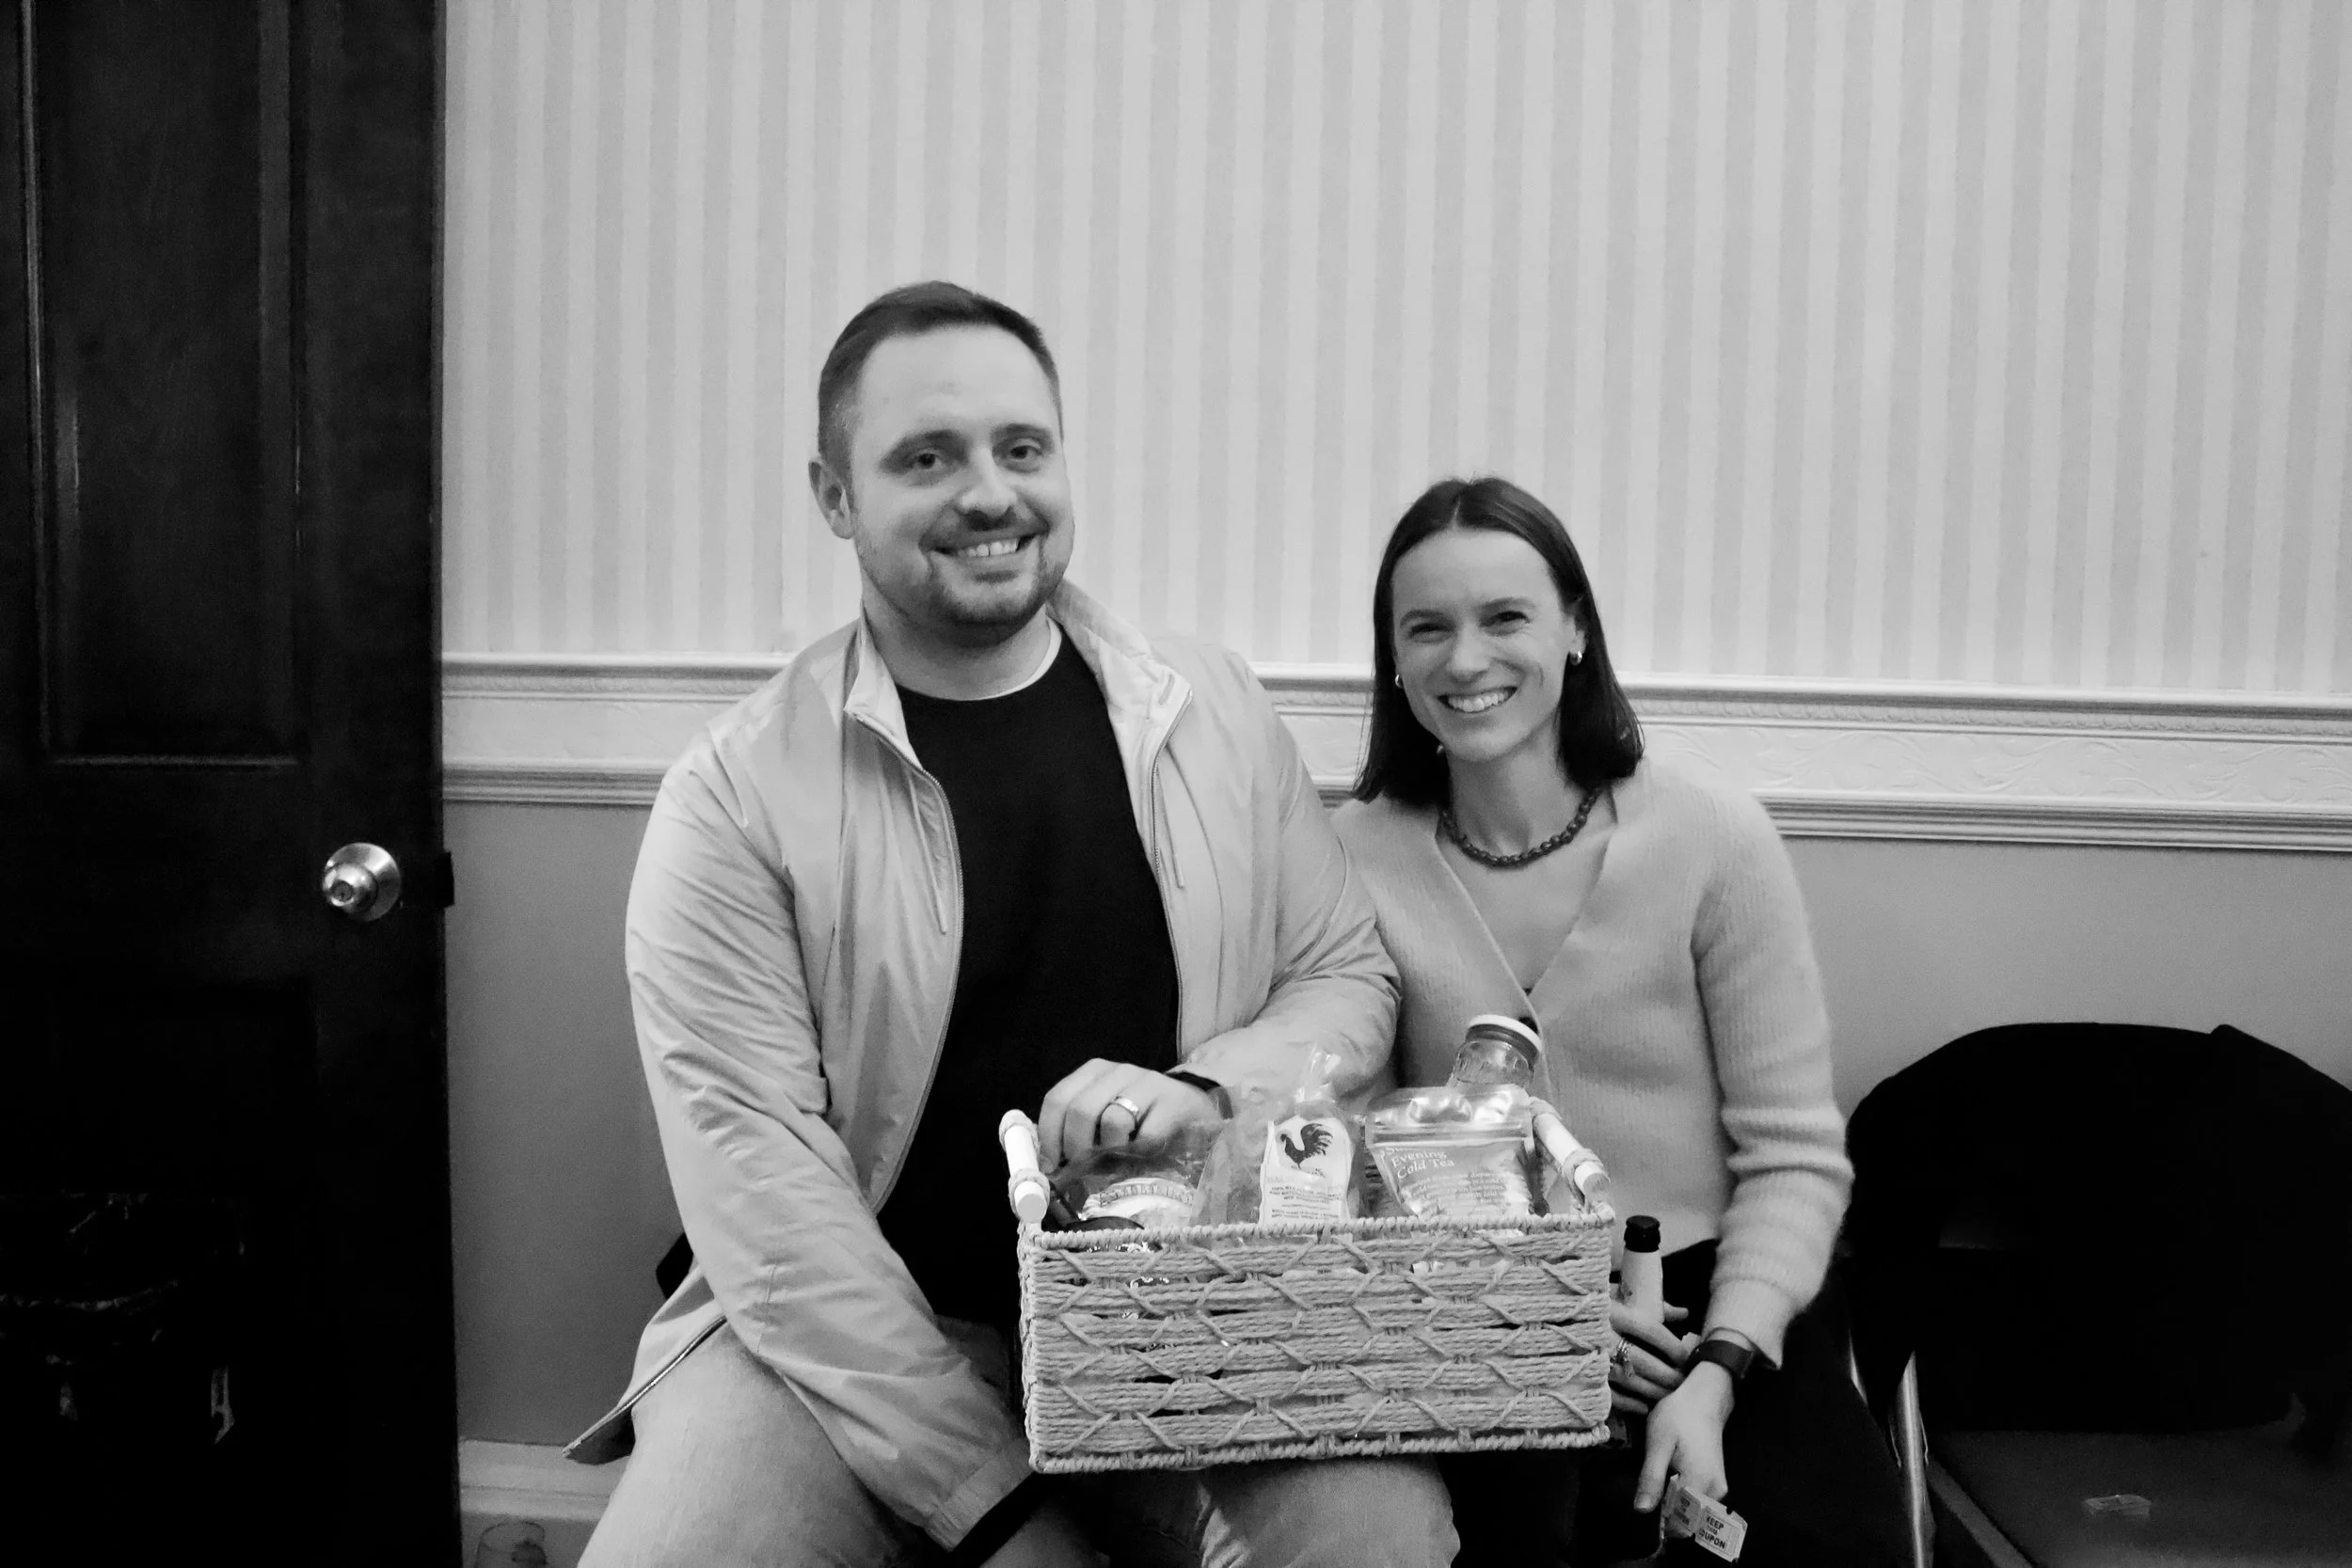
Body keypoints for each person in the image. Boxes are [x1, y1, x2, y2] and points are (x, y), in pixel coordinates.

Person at [569, 282, 1456, 1568]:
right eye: (927, 457)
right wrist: (998, 1506)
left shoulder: (1207, 705)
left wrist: (1203, 1086)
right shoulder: (733, 793)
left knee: (1372, 1530)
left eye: (1020, 447)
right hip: (844, 1340)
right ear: (834, 496)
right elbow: (772, 1214)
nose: (989, 493)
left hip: (1183, 1304)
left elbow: (1342, 979)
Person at [1333, 476, 1910, 1567]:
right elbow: (1340, 1166)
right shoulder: (1350, 859)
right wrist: (1528, 1316)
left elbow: (1795, 1161)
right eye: (1427, 628)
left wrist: (1718, 1372)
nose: (1465, 660)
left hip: (1721, 1309)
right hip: (1473, 1314)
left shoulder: (1712, 838)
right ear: (1394, 659)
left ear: (1576, 630)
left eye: (1505, 617)